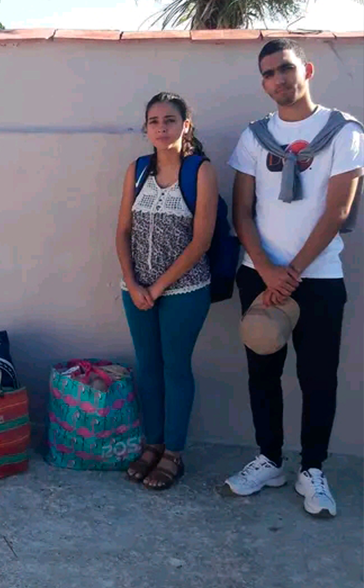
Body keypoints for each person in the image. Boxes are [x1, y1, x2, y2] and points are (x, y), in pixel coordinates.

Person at [223, 39, 363, 517]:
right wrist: (266, 269)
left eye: (284, 69)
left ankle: (313, 469)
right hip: (257, 276)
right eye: (268, 74)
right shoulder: (254, 136)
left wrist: (293, 273)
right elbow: (242, 211)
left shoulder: (343, 131)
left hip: (319, 279)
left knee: (317, 377)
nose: (278, 79)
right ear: (262, 83)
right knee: (262, 373)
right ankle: (269, 459)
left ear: (306, 69)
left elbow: (338, 210)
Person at [115, 93, 218, 490]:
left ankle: (173, 452)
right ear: (146, 128)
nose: (161, 127)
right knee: (148, 368)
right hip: (136, 290)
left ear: (185, 126)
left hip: (185, 291)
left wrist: (157, 286)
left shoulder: (200, 172)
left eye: (170, 120)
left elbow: (201, 241)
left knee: (175, 368)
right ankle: (152, 444)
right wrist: (134, 282)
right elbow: (122, 230)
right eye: (154, 121)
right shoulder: (138, 170)